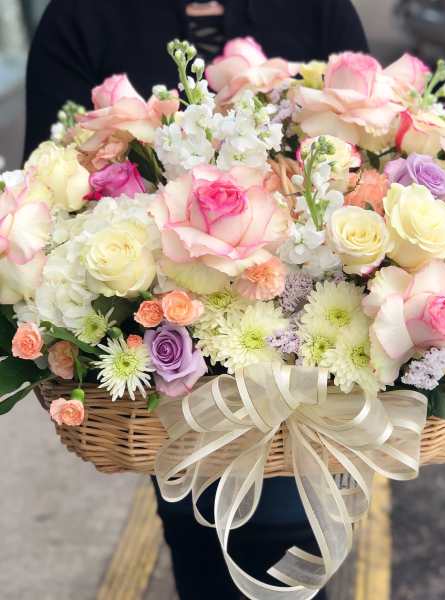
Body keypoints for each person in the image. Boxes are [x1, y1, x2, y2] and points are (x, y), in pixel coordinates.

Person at [24, 2, 370, 598]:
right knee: (201, 548)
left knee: (292, 541)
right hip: (170, 399)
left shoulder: (318, 8)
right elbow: (44, 190)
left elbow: (370, 156)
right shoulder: (81, 16)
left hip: (310, 381)